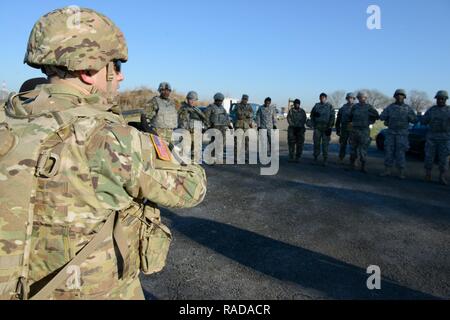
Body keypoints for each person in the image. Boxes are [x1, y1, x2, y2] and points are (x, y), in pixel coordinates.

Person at [0, 7, 207, 300]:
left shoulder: (7, 119)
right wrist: (150, 145)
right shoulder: (108, 138)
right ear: (88, 71)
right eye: (117, 66)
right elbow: (193, 186)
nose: (120, 78)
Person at [379, 89, 417, 179]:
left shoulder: (408, 108)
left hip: (402, 134)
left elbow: (414, 119)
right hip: (391, 133)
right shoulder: (390, 107)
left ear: (404, 97)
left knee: (400, 153)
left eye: (401, 95)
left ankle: (401, 172)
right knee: (389, 151)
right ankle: (387, 170)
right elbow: (382, 117)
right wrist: (386, 118)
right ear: (395, 96)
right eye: (398, 95)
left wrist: (409, 117)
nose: (399, 96)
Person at [421, 90, 450, 185]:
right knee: (429, 157)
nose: (440, 100)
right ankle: (427, 175)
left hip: (444, 138)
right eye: (438, 99)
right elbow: (424, 121)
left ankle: (442, 177)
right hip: (432, 137)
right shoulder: (432, 110)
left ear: (445, 99)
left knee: (443, 159)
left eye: (442, 99)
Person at [348, 91, 380, 173]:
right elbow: (350, 117)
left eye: (363, 97)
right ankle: (352, 165)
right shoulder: (355, 107)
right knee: (352, 149)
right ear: (358, 98)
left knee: (363, 150)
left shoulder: (369, 107)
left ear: (366, 98)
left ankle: (363, 166)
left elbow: (376, 116)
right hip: (354, 130)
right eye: (360, 97)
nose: (361, 99)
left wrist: (370, 121)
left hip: (364, 131)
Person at [178, 91, 207, 161]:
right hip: (185, 132)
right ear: (187, 99)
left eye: (194, 100)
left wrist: (204, 127)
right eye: (190, 99)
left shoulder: (197, 110)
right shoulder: (183, 109)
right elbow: (181, 121)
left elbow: (204, 119)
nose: (192, 101)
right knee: (184, 151)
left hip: (195, 133)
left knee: (196, 153)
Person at [204, 93, 233, 159]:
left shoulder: (222, 108)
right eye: (218, 100)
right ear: (215, 100)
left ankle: (217, 155)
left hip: (222, 127)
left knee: (222, 142)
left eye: (221, 101)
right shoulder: (211, 107)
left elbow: (226, 117)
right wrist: (208, 126)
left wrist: (229, 125)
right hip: (214, 127)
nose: (220, 102)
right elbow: (206, 117)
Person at [310, 93, 335, 165]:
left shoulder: (330, 106)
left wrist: (330, 127)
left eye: (323, 97)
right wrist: (314, 117)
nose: (322, 99)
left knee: (325, 144)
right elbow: (312, 115)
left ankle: (325, 159)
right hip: (317, 128)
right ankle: (315, 157)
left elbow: (332, 117)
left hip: (326, 128)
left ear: (326, 98)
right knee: (316, 143)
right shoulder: (316, 105)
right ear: (319, 98)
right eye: (321, 97)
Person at [336, 93, 355, 162]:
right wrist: (338, 128)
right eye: (349, 98)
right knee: (342, 144)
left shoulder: (356, 107)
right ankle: (341, 157)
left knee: (353, 145)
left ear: (354, 99)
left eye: (352, 98)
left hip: (353, 127)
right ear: (347, 99)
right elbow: (338, 119)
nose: (350, 99)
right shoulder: (343, 108)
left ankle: (353, 160)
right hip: (344, 127)